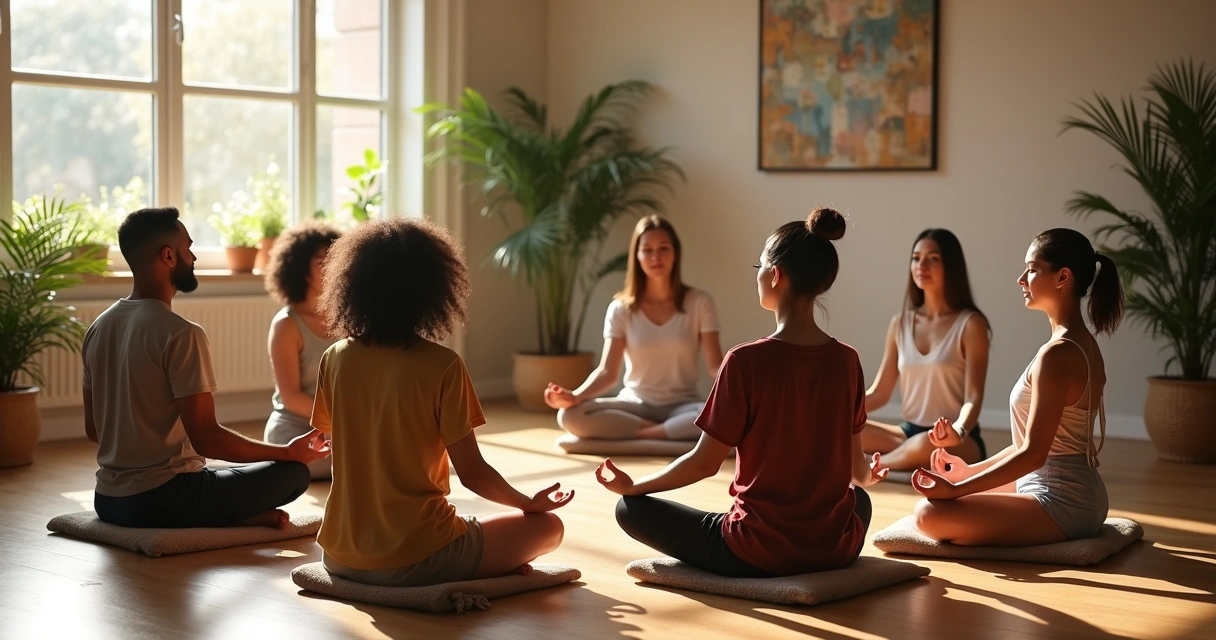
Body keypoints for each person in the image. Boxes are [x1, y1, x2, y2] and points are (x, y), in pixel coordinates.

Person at [595, 208, 887, 577]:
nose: (759, 274)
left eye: (760, 267)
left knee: (630, 509)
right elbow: (857, 471)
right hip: (833, 547)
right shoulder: (847, 360)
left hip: (757, 550)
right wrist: (869, 473)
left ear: (775, 275)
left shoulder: (744, 360)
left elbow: (704, 463)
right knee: (857, 501)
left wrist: (636, 485)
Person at [312, 218, 572, 587]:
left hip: (338, 557)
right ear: (433, 290)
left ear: (353, 285)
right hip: (416, 558)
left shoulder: (335, 357)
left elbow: (336, 445)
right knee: (549, 528)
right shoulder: (442, 366)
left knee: (470, 527)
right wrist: (529, 503)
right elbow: (474, 475)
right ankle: (486, 562)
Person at [82, 207, 329, 529]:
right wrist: (286, 452)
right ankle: (229, 517)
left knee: (219, 473)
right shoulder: (181, 333)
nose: (194, 257)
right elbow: (207, 440)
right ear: (168, 256)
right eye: (189, 248)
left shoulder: (98, 327)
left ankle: (230, 513)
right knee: (293, 473)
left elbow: (94, 430)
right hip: (161, 500)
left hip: (109, 501)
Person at [912, 228, 1123, 546]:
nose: (1021, 279)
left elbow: (1033, 454)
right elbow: (1032, 444)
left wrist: (957, 490)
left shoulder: (1059, 353)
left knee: (928, 515)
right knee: (943, 499)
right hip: (1073, 492)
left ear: (1062, 277)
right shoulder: (1078, 344)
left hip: (1061, 501)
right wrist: (969, 473)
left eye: (1032, 269)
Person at [544, 215, 723, 441]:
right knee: (569, 416)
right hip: (635, 404)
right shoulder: (620, 308)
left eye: (663, 248)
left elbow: (716, 366)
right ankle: (666, 430)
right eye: (647, 249)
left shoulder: (699, 302)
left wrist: (743, 388)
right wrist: (575, 397)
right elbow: (608, 372)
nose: (655, 256)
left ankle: (642, 433)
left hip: (684, 405)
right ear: (637, 256)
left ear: (675, 253)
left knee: (719, 416)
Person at [861, 229, 991, 471]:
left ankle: (868, 467)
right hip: (907, 433)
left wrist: (959, 430)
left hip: (958, 438)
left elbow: (973, 397)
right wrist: (837, 411)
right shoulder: (900, 323)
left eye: (933, 258)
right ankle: (884, 459)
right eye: (916, 258)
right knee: (846, 431)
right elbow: (880, 392)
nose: (922, 265)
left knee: (925, 445)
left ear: (951, 266)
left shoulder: (971, 324)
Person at [263, 221, 342, 479]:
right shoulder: (287, 324)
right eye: (321, 262)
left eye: (336, 260)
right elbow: (291, 396)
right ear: (301, 270)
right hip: (296, 433)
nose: (331, 268)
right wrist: (346, 418)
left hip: (341, 427)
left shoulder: (348, 319)